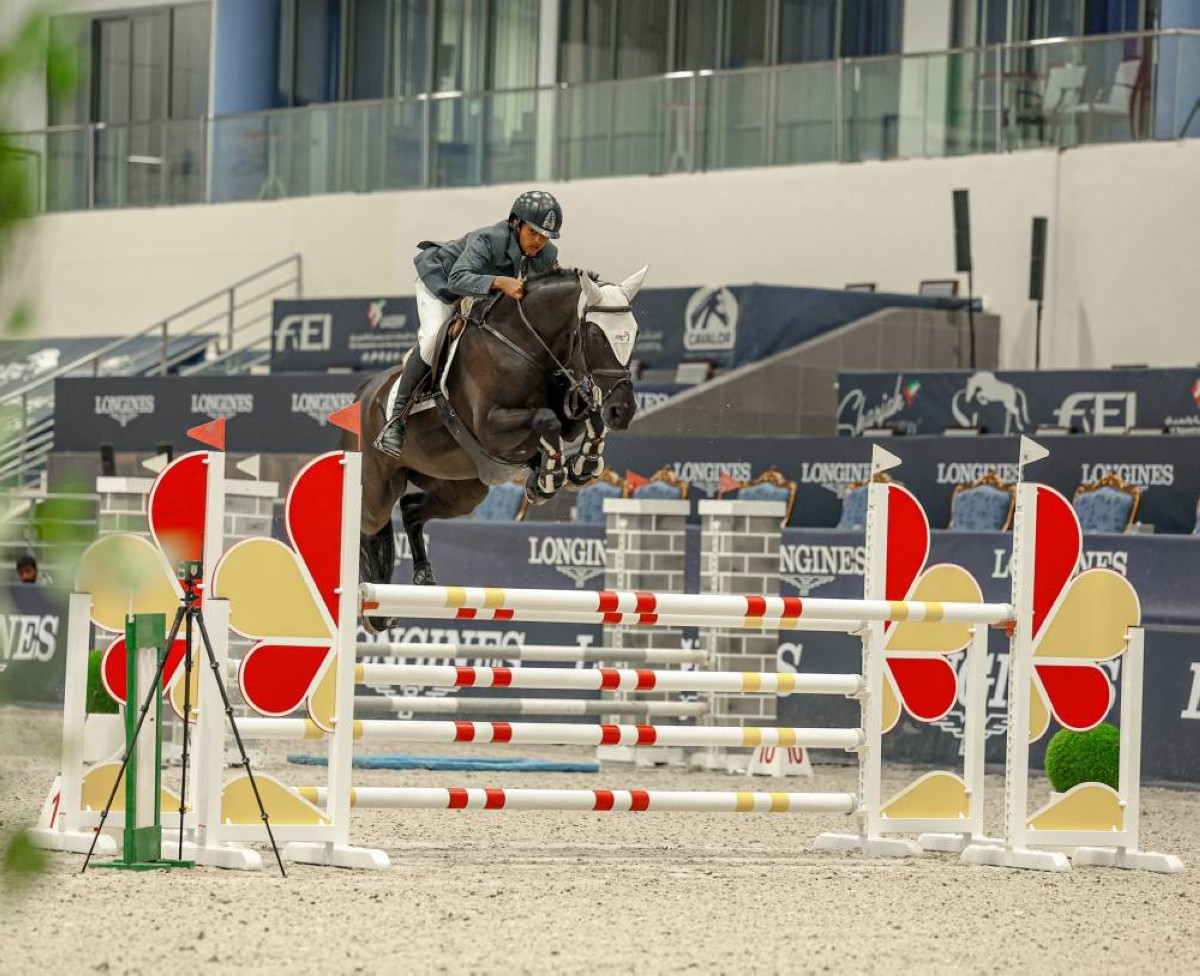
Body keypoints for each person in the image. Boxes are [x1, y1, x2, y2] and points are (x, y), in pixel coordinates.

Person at [372, 190, 564, 458]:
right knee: (432, 340)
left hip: (483, 294)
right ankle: (395, 422)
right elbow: (457, 280)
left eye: (545, 236)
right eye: (533, 232)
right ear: (515, 223)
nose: (539, 241)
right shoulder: (489, 239)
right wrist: (499, 282)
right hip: (443, 283)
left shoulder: (547, 254)